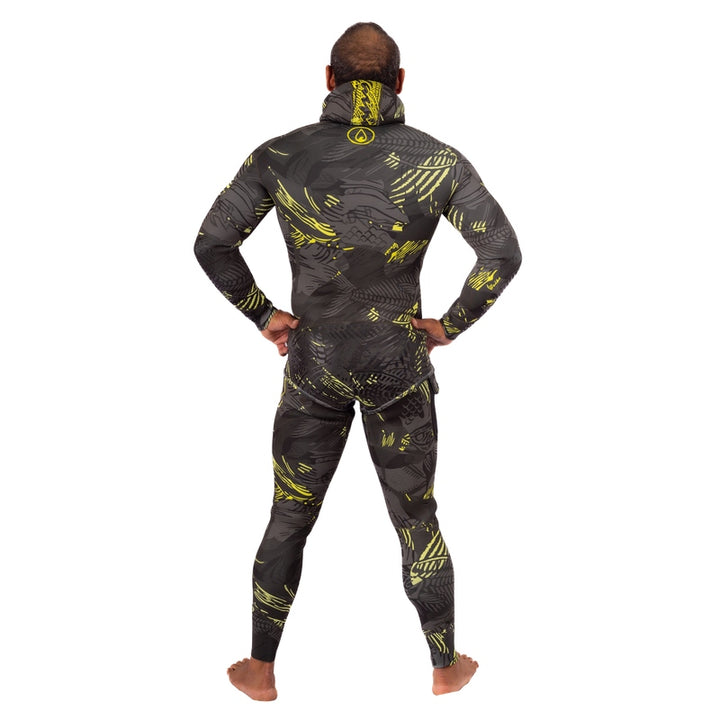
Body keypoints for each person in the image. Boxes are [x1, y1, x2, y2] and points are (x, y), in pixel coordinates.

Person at [194, 21, 521, 701]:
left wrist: (263, 313)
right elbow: (501, 252)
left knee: (289, 515)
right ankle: (444, 667)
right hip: (398, 364)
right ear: (399, 81)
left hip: (313, 363)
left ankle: (260, 669)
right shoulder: (438, 159)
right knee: (417, 518)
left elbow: (212, 243)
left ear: (328, 79)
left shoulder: (281, 155)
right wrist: (449, 326)